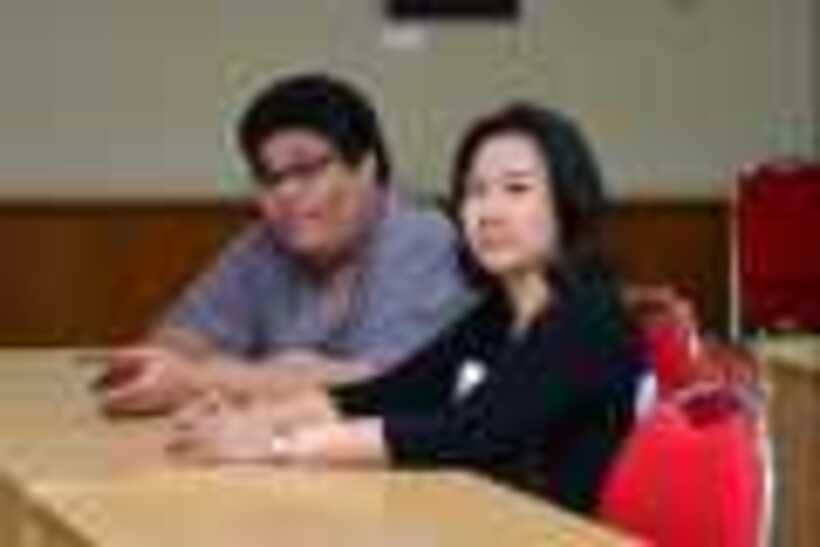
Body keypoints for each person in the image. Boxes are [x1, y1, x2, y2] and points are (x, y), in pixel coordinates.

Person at [167, 103, 648, 513]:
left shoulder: (588, 318)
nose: (489, 212)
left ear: (566, 199)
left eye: (516, 189)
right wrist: (257, 421)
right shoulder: (499, 312)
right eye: (475, 192)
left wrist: (276, 446)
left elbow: (466, 433)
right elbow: (387, 393)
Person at [98, 73, 470, 415]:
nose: (286, 193)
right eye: (267, 178)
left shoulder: (423, 237)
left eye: (307, 170)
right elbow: (174, 342)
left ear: (366, 168)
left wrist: (208, 379)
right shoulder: (264, 243)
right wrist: (260, 376)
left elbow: (385, 386)